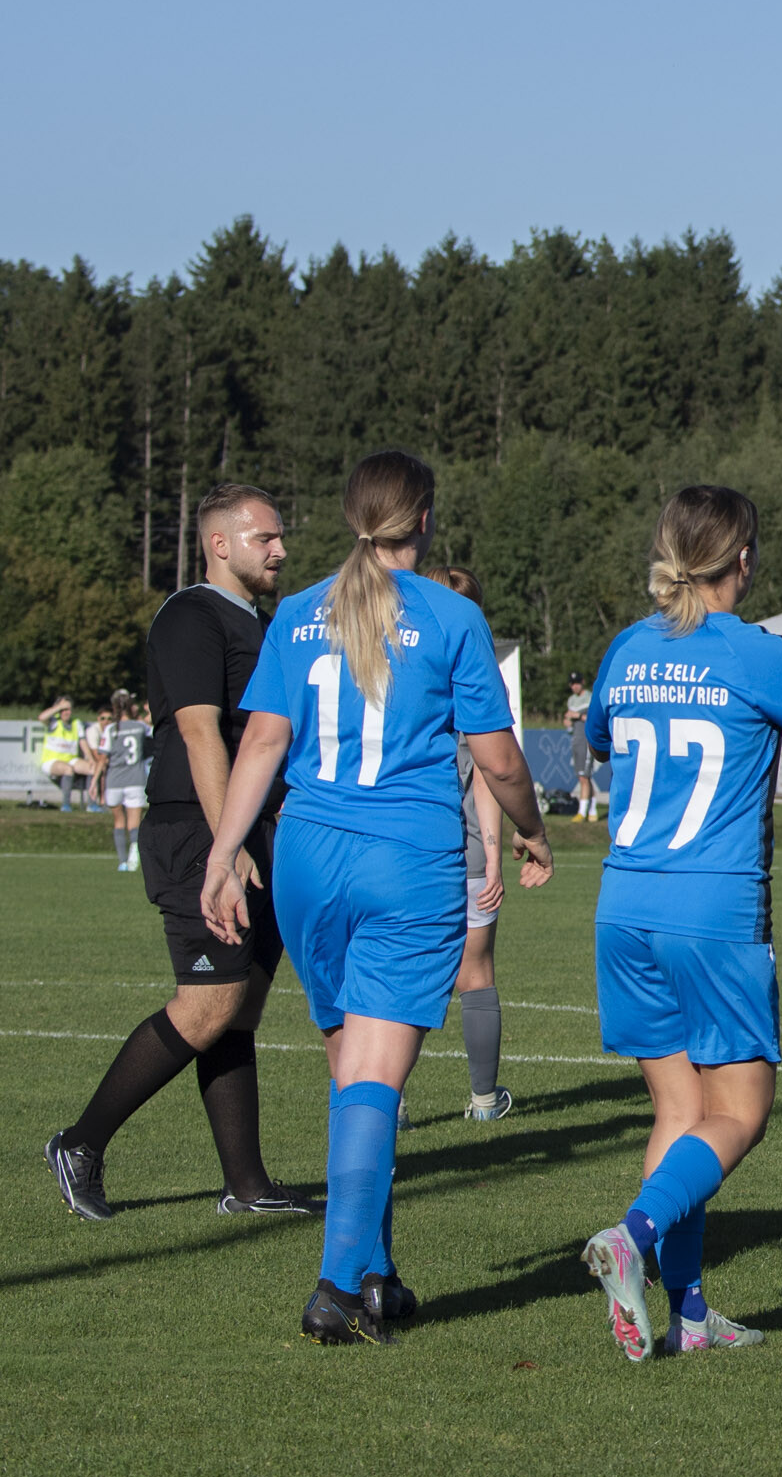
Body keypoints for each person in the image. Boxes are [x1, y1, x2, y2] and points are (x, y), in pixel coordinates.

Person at [201, 450, 552, 1346]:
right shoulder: (450, 614)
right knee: (374, 1077)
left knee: (355, 1074)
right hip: (405, 862)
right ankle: (334, 1287)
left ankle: (376, 1273)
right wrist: (533, 828)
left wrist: (224, 851)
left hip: (307, 861)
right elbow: (501, 758)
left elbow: (262, 745)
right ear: (423, 519)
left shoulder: (297, 611)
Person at [578, 486, 782, 1359]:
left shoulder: (628, 646)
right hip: (712, 910)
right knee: (741, 1112)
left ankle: (687, 1314)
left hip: (623, 905)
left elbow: (603, 741)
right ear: (745, 559)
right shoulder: (757, 653)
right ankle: (631, 1236)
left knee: (680, 1109)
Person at [45, 487, 309, 1223]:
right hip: (200, 831)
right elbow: (199, 732)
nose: (281, 550)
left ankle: (246, 1185)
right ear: (219, 544)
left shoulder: (263, 624)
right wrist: (228, 846)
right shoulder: (192, 615)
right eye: (265, 538)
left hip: (252, 833)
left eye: (279, 537)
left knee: (239, 1007)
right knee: (208, 1001)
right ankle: (79, 1143)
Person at [425, 565, 515, 1121]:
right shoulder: (481, 671)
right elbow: (490, 770)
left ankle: (390, 1104)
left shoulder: (391, 659)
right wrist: (496, 853)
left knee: (395, 975)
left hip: (401, 842)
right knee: (476, 971)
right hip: (466, 845)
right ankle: (484, 1100)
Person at [102, 690, 155, 871]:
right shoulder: (140, 726)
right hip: (136, 779)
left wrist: (95, 782)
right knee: (134, 822)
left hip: (114, 781)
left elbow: (102, 759)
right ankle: (134, 855)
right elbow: (154, 731)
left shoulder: (111, 729)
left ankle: (122, 861)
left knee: (119, 821)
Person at [565, 672, 600, 822]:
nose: (575, 686)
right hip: (576, 740)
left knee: (584, 776)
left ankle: (582, 812)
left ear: (583, 682)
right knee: (582, 777)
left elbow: (593, 718)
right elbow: (570, 723)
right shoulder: (571, 700)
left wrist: (578, 716)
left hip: (587, 741)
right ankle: (592, 809)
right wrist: (568, 722)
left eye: (577, 683)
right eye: (573, 683)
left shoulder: (590, 697)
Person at [37, 695, 80, 808]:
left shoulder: (75, 723)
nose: (67, 712)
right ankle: (66, 805)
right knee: (68, 769)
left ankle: (93, 805)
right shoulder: (54, 721)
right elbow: (41, 717)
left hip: (70, 760)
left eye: (69, 709)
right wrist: (58, 707)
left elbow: (83, 743)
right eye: (63, 709)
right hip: (51, 761)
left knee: (92, 767)